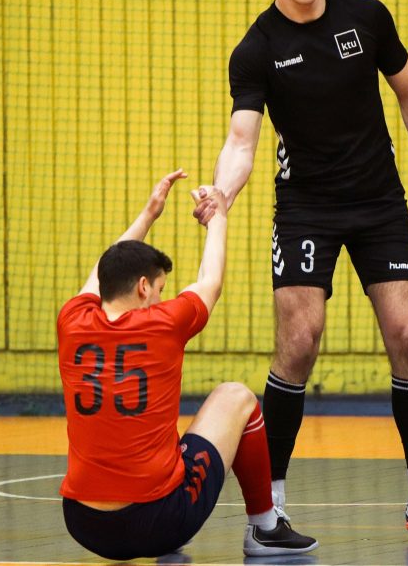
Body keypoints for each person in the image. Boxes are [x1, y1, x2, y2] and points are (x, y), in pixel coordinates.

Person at [191, 0, 408, 533]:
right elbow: (241, 139)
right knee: (300, 340)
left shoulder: (366, 17)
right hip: (306, 208)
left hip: (379, 202)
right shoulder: (257, 49)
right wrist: (222, 193)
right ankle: (270, 504)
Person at [56, 170, 318, 560]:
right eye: (159, 289)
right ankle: (265, 528)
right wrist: (219, 217)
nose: (161, 299)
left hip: (83, 523)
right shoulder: (164, 323)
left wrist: (149, 214)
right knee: (236, 397)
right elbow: (210, 280)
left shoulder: (71, 321)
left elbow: (104, 270)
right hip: (158, 520)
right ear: (143, 286)